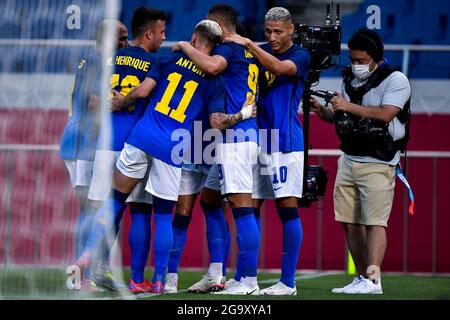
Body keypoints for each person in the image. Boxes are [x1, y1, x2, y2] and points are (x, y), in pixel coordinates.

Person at [77, 19, 255, 294]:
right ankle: (159, 280)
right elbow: (218, 122)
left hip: (141, 136)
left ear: (195, 38)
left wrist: (119, 102)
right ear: (216, 45)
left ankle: (87, 254)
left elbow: (143, 91)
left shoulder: (167, 58)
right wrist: (243, 114)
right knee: (161, 216)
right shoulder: (215, 79)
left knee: (114, 201)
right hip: (172, 149)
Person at [69, 6, 167, 293]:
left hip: (104, 143)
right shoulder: (154, 62)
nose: (164, 38)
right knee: (139, 211)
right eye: (161, 32)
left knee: (99, 208)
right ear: (148, 33)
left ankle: (84, 266)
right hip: (134, 144)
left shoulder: (105, 59)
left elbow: (90, 97)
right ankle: (136, 279)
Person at [310, 28, 411, 294]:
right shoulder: (348, 80)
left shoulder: (396, 80)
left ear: (376, 57)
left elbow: (386, 114)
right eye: (353, 60)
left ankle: (374, 280)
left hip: (379, 161)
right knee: (349, 221)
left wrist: (346, 106)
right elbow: (339, 116)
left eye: (361, 60)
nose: (356, 66)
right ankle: (362, 278)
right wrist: (323, 111)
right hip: (349, 157)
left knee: (375, 221)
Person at [174, 4, 262, 295]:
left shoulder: (229, 49)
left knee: (241, 207)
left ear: (214, 23)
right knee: (210, 201)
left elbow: (211, 66)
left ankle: (248, 279)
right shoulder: (249, 53)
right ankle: (216, 274)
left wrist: (185, 46)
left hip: (237, 137)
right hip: (233, 138)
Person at [225, 6, 310, 296]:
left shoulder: (301, 55)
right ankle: (244, 278)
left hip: (285, 142)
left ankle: (288, 283)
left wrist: (248, 43)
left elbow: (278, 68)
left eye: (278, 31)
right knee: (252, 206)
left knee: (287, 208)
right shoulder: (258, 51)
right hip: (257, 139)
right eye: (268, 32)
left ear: (292, 30)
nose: (272, 37)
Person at [60, 19, 129, 292]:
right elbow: (92, 101)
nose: (125, 44)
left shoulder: (92, 58)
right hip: (82, 143)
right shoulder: (96, 60)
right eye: (121, 39)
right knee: (90, 208)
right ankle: (79, 275)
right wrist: (126, 100)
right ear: (109, 39)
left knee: (92, 208)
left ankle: (89, 269)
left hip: (83, 142)